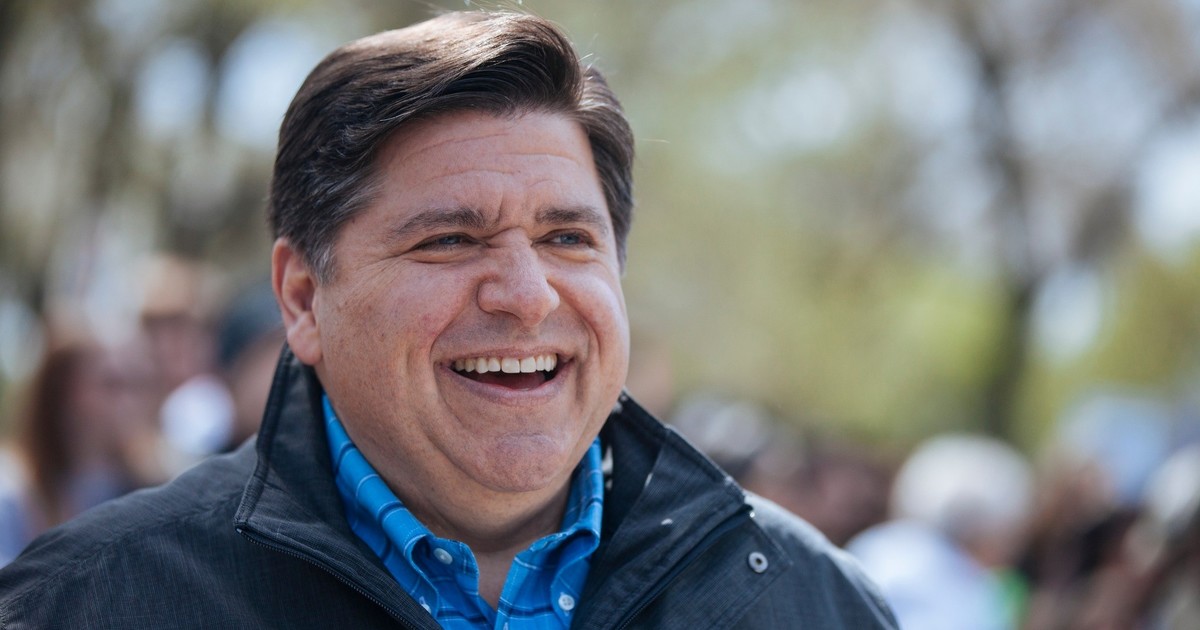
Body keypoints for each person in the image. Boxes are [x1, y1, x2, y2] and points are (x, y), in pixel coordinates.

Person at [0, 11, 897, 628]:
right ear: (303, 298)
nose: (528, 295)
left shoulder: (815, 603)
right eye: (450, 240)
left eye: (567, 238)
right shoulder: (88, 604)